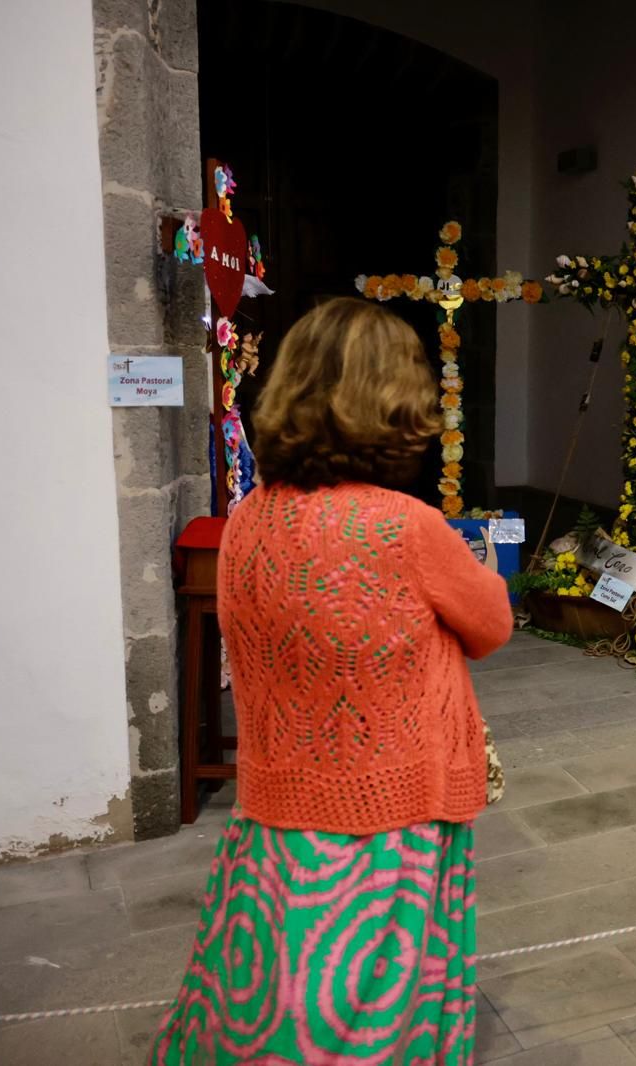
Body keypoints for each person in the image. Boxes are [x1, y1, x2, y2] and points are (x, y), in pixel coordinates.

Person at [149, 298, 513, 1065]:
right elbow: (491, 628)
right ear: (394, 405)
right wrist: (481, 572)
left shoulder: (249, 519)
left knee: (270, 983)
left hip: (278, 813)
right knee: (374, 1003)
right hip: (393, 813)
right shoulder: (407, 527)